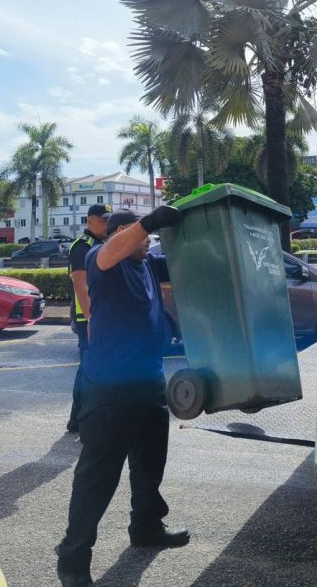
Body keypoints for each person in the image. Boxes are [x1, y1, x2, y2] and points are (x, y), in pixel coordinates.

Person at [56, 205, 187, 587]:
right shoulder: (102, 257)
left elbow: (186, 262)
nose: (148, 242)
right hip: (109, 391)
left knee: (149, 466)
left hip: (149, 382)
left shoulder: (147, 264)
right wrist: (149, 222)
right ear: (123, 232)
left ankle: (146, 528)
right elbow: (112, 249)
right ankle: (73, 560)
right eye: (142, 236)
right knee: (97, 478)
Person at [66, 203, 112, 433]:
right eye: (103, 220)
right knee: (88, 368)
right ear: (89, 221)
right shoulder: (82, 246)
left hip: (100, 316)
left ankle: (81, 417)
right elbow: (80, 285)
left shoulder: (100, 245)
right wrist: (91, 318)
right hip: (88, 319)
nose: (106, 225)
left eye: (108, 220)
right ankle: (78, 418)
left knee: (93, 367)